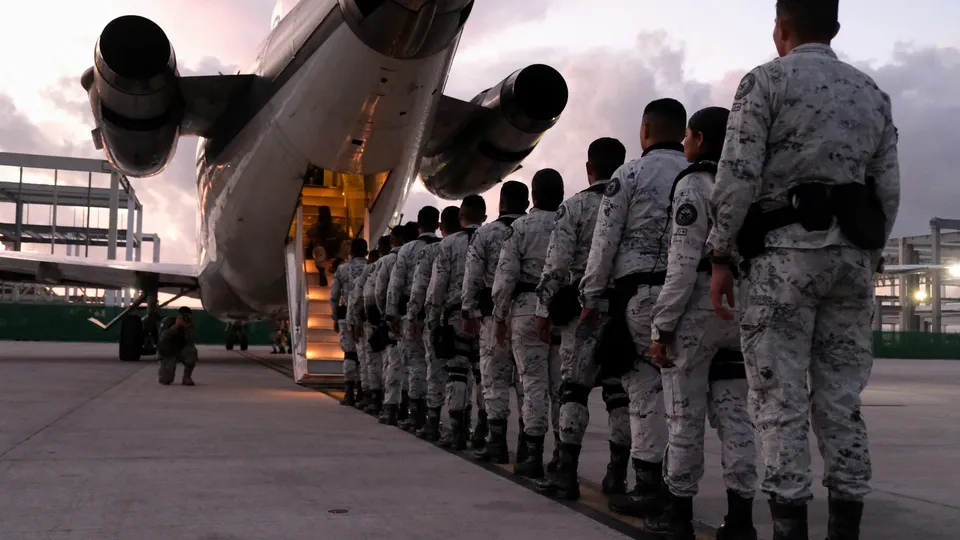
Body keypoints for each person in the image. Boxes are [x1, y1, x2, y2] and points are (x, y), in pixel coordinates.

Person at [707, 3, 900, 538]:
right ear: (835, 28)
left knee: (779, 398)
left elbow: (738, 174)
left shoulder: (766, 82)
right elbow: (887, 187)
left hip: (784, 262)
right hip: (851, 264)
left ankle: (790, 527)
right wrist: (869, 256)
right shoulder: (871, 93)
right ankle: (846, 528)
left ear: (780, 26)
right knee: (841, 401)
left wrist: (721, 254)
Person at [641, 107, 758, 538]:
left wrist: (662, 326)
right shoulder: (747, 184)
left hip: (697, 310)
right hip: (738, 310)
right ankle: (742, 520)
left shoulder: (694, 185)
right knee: (735, 419)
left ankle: (678, 516)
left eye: (689, 137)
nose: (685, 144)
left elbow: (684, 262)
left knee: (684, 417)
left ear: (701, 140)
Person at [579, 98, 690, 517]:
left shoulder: (628, 175)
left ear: (644, 131)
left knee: (643, 392)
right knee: (684, 397)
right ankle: (678, 488)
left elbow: (604, 242)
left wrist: (591, 297)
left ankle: (646, 486)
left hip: (641, 296)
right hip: (692, 295)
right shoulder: (699, 176)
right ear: (682, 132)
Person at [533, 138, 632, 500]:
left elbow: (556, 265)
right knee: (620, 395)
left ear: (589, 168)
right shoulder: (633, 201)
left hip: (583, 315)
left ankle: (566, 473)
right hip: (624, 312)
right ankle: (616, 477)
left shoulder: (574, 207)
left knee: (573, 391)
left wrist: (543, 311)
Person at [492, 169, 565, 479]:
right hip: (565, 312)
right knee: (563, 389)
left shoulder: (521, 228)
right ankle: (563, 458)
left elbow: (505, 278)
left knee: (533, 384)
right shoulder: (569, 222)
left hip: (526, 310)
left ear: (533, 196)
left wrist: (499, 317)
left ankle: (532, 455)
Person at [463, 181, 530, 463]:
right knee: (528, 383)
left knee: (494, 380)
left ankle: (497, 442)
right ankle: (529, 447)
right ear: (526, 203)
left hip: (494, 317)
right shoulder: (534, 228)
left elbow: (473, 276)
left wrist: (468, 310)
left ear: (500, 203)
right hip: (531, 314)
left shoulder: (486, 234)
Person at [425, 196, 485, 449]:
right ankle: (484, 431)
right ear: (483, 217)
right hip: (488, 318)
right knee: (486, 376)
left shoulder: (448, 245)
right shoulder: (496, 237)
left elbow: (437, 287)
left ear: (461, 218)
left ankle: (458, 430)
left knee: (457, 372)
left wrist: (431, 318)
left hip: (456, 316)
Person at [406, 206, 460, 440]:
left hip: (440, 318)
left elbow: (425, 289)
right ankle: (463, 427)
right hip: (475, 318)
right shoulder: (475, 241)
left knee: (431, 369)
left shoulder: (428, 251)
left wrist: (417, 317)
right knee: (462, 373)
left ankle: (429, 420)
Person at [386, 208, 442, 433]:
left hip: (411, 312)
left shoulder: (407, 250)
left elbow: (395, 284)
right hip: (436, 313)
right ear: (437, 225)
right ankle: (433, 416)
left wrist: (391, 314)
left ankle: (415, 414)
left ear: (418, 225)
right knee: (436, 366)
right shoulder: (441, 247)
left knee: (415, 364)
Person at [375, 225, 410, 425]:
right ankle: (410, 409)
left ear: (392, 241)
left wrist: (386, 315)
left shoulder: (386, 261)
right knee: (415, 366)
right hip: (419, 316)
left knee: (393, 362)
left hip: (396, 317)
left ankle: (390, 408)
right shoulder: (421, 253)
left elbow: (380, 291)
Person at [331, 238, 369, 406]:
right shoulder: (372, 267)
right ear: (366, 252)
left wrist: (334, 317)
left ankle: (348, 392)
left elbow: (334, 297)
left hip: (346, 315)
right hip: (366, 317)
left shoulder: (342, 269)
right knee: (363, 356)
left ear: (351, 252)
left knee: (349, 354)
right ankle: (362, 391)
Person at [360, 236, 393, 415]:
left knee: (374, 361)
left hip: (379, 320)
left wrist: (378, 316)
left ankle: (375, 398)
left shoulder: (376, 267)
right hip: (405, 318)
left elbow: (369, 294)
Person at [348, 244, 382, 410]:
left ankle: (369, 396)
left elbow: (355, 300)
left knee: (367, 361)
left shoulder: (364, 274)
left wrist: (355, 323)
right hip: (386, 321)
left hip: (368, 323)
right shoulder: (390, 266)